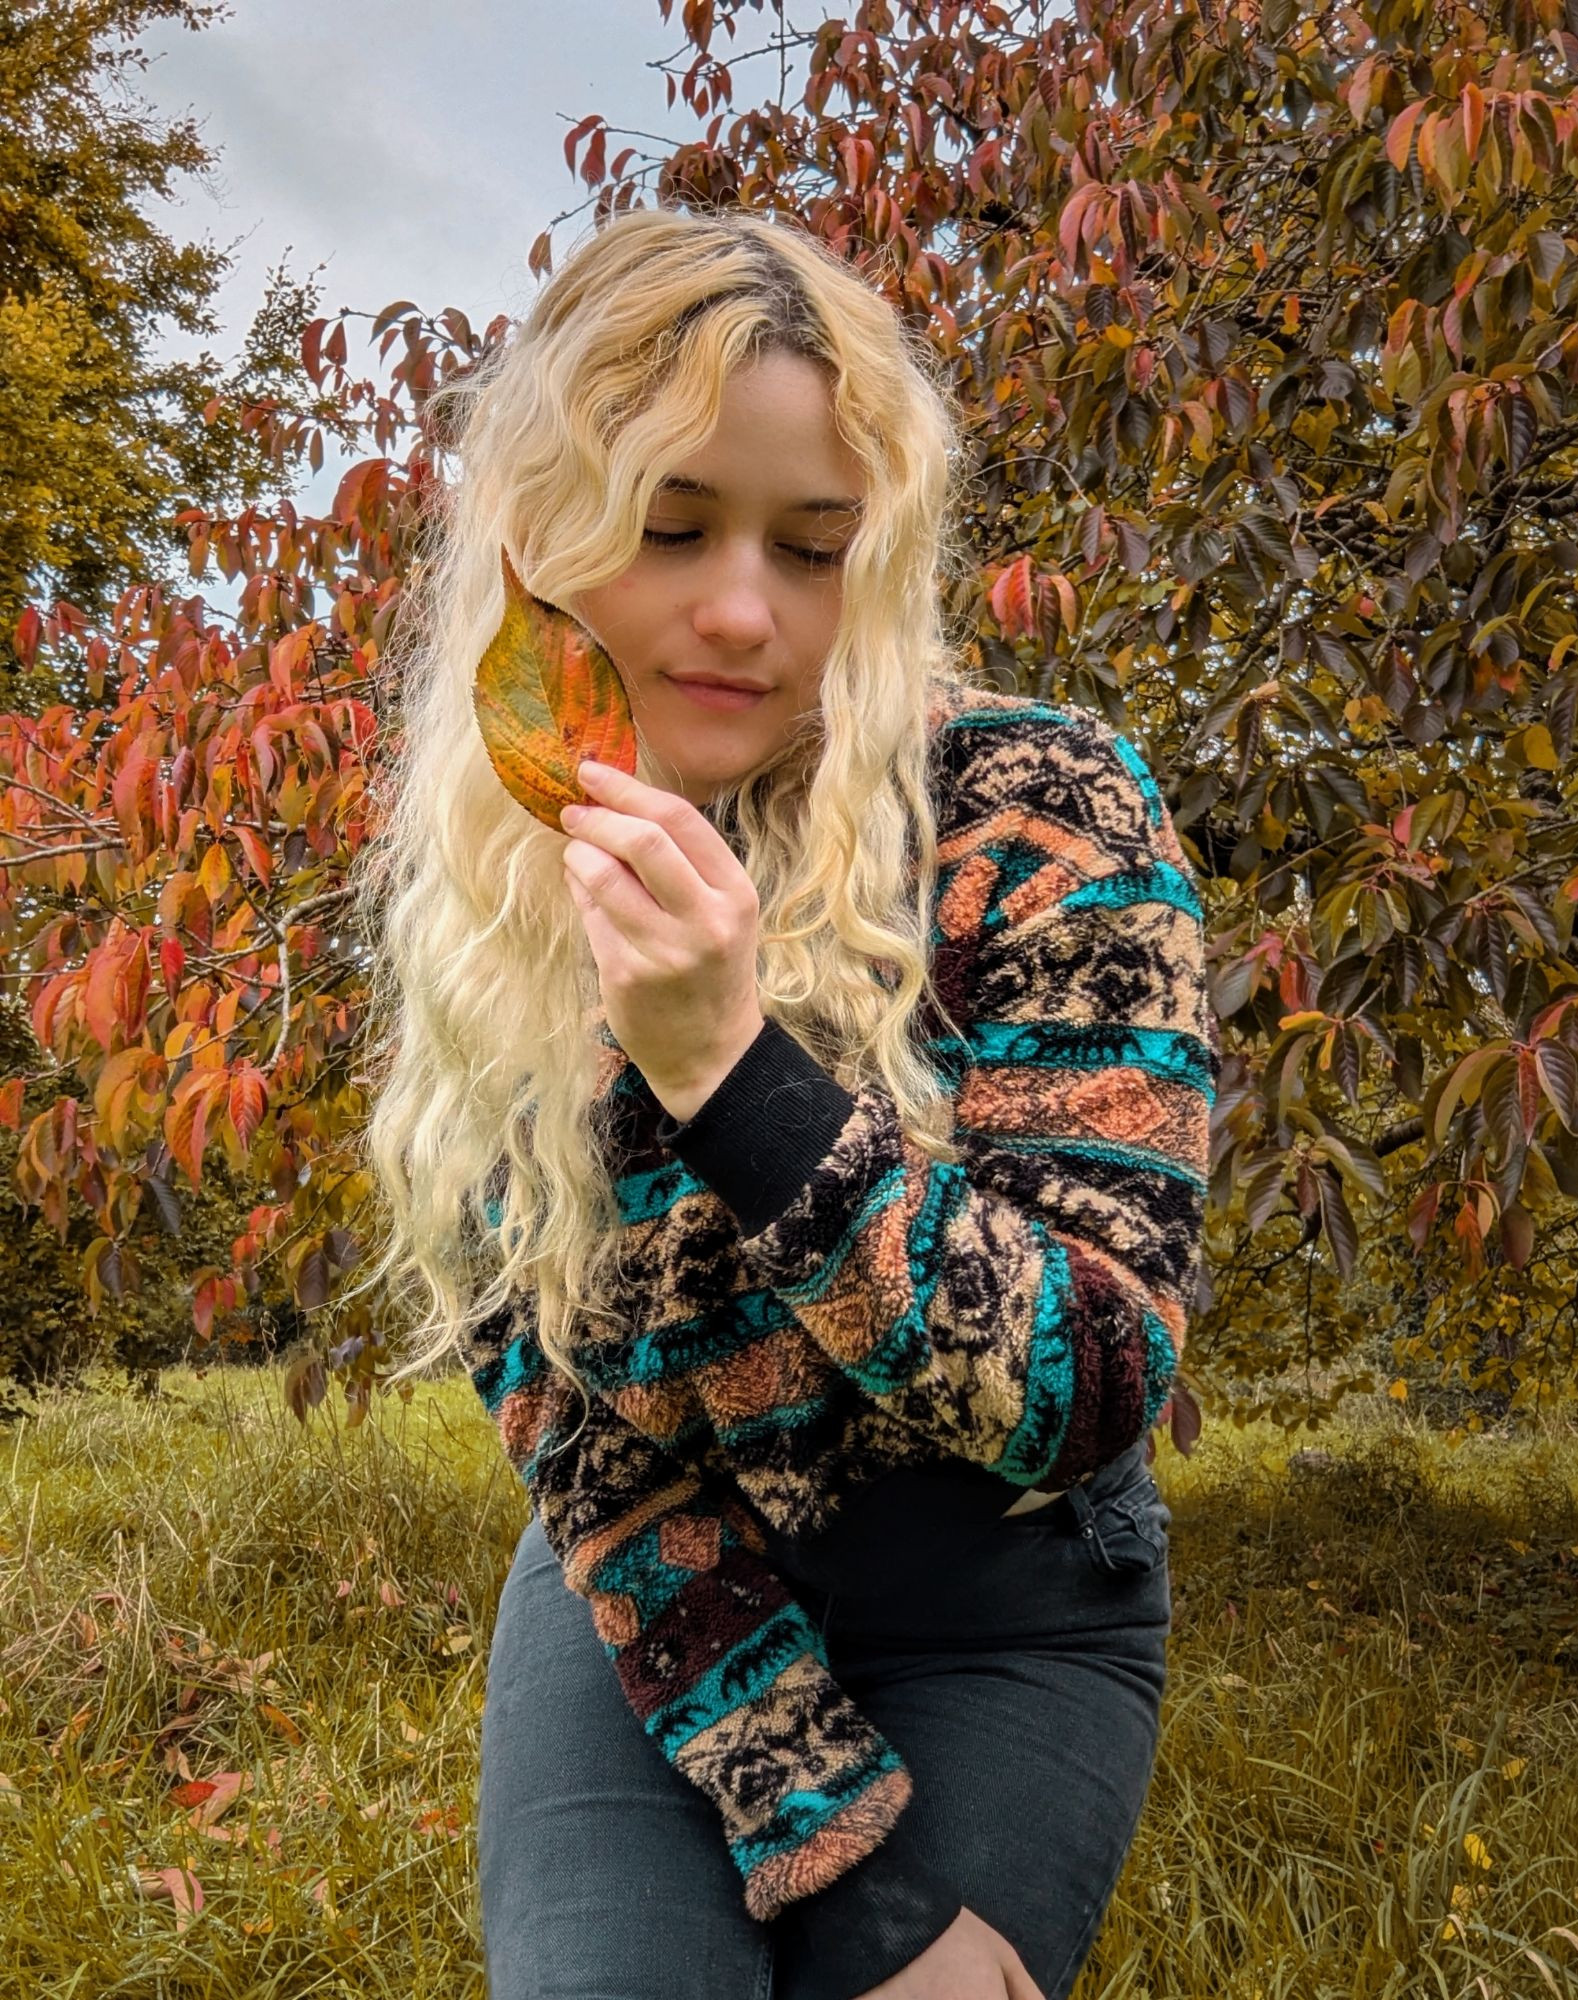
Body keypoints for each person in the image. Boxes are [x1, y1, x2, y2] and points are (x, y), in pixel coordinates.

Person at [351, 203, 1218, 1999]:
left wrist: (733, 1077)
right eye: (672, 528)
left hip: (1009, 1591)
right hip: (658, 1590)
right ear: (543, 541)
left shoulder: (1043, 817)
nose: (743, 609)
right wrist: (835, 1855)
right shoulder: (497, 895)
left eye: (814, 549)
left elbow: (1094, 1376)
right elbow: (574, 1431)